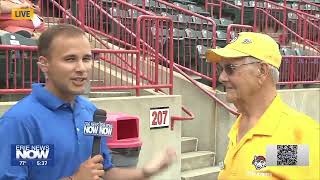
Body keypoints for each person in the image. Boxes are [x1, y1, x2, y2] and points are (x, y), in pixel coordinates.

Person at [0, 24, 176, 180]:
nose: (81, 68)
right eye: (70, 59)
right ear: (44, 64)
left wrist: (147, 172)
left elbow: (105, 172)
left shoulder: (93, 114)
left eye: (86, 59)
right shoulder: (19, 122)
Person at [206, 32, 319, 180]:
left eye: (230, 68)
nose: (222, 77)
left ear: (262, 71)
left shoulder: (299, 134)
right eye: (221, 69)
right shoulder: (239, 125)